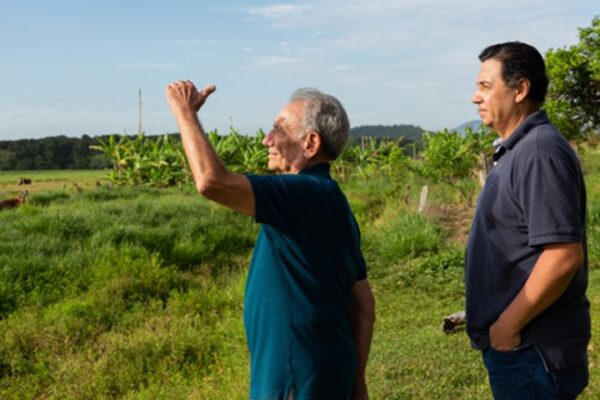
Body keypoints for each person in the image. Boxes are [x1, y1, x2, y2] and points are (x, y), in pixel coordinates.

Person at [166, 81, 375, 400]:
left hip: (296, 378)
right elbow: (362, 299)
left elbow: (211, 182)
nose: (267, 139)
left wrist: (184, 111)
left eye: (278, 129)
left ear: (310, 143)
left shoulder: (306, 194)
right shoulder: (331, 200)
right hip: (321, 373)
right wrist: (357, 381)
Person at [465, 41, 590, 399]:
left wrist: (507, 325)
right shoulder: (517, 149)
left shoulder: (538, 151)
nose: (475, 97)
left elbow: (562, 255)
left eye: (486, 86)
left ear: (521, 89)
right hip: (524, 348)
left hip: (532, 348)